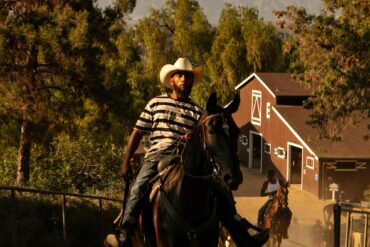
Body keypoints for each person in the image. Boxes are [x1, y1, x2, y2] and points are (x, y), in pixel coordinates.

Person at [117, 57, 268, 247]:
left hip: (184, 158)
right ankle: (125, 229)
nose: (184, 80)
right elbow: (137, 133)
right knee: (140, 185)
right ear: (171, 80)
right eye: (180, 75)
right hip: (157, 156)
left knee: (219, 189)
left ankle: (241, 234)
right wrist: (126, 162)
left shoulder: (198, 111)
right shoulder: (155, 103)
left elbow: (204, 137)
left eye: (188, 76)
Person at [257, 169, 292, 238]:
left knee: (289, 213)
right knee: (260, 211)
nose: (268, 179)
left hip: (280, 201)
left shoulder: (279, 181)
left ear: (273, 176)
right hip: (271, 200)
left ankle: (285, 230)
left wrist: (286, 185)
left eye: (270, 177)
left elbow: (284, 188)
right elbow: (261, 194)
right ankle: (260, 228)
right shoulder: (266, 183)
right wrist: (270, 193)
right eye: (268, 177)